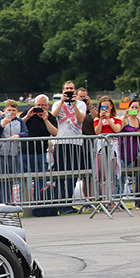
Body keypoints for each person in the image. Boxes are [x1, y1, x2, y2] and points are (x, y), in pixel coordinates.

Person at [50, 81, 87, 214]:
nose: (69, 91)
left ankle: (69, 202)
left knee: (72, 174)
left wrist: (75, 104)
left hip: (75, 143)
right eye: (67, 89)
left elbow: (81, 119)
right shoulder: (57, 103)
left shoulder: (81, 104)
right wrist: (62, 102)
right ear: (63, 90)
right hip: (60, 142)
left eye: (71, 89)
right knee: (60, 173)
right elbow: (53, 116)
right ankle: (60, 202)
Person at [20, 94, 58, 201]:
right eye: (38, 105)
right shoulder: (28, 113)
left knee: (41, 177)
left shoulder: (50, 117)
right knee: (23, 178)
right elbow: (17, 125)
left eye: (43, 105)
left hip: (41, 152)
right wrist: (28, 116)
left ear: (47, 106)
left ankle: (39, 200)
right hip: (25, 152)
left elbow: (54, 132)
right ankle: (25, 202)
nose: (40, 108)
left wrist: (46, 120)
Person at [0, 99, 29, 203]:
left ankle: (7, 202)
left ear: (17, 111)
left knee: (9, 180)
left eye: (13, 110)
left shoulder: (19, 121)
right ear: (4, 110)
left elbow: (26, 132)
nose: (11, 112)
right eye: (9, 110)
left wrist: (18, 135)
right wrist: (2, 125)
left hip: (13, 154)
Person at [93, 96, 123, 200]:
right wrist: (101, 119)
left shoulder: (116, 119)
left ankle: (111, 197)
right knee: (103, 175)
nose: (105, 109)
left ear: (111, 107)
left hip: (112, 145)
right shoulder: (97, 119)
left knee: (111, 175)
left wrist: (109, 118)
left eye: (107, 107)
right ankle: (104, 198)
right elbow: (97, 131)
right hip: (101, 146)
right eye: (102, 107)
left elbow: (117, 130)